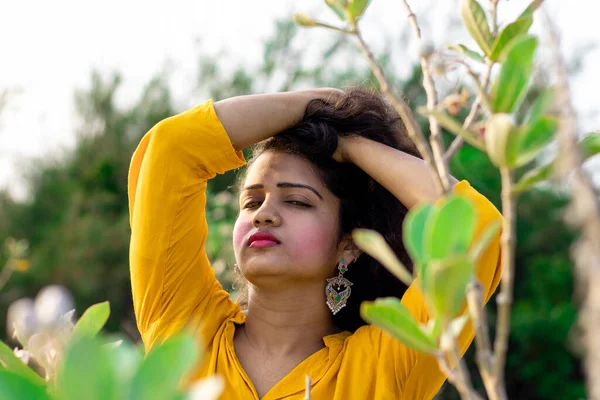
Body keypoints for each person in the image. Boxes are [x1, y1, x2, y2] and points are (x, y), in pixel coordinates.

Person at [128, 87, 502, 399]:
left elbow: (474, 227)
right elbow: (170, 150)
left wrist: (350, 144)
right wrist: (314, 106)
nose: (264, 214)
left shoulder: (382, 368)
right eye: (252, 201)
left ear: (349, 244)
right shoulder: (184, 332)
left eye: (297, 201)